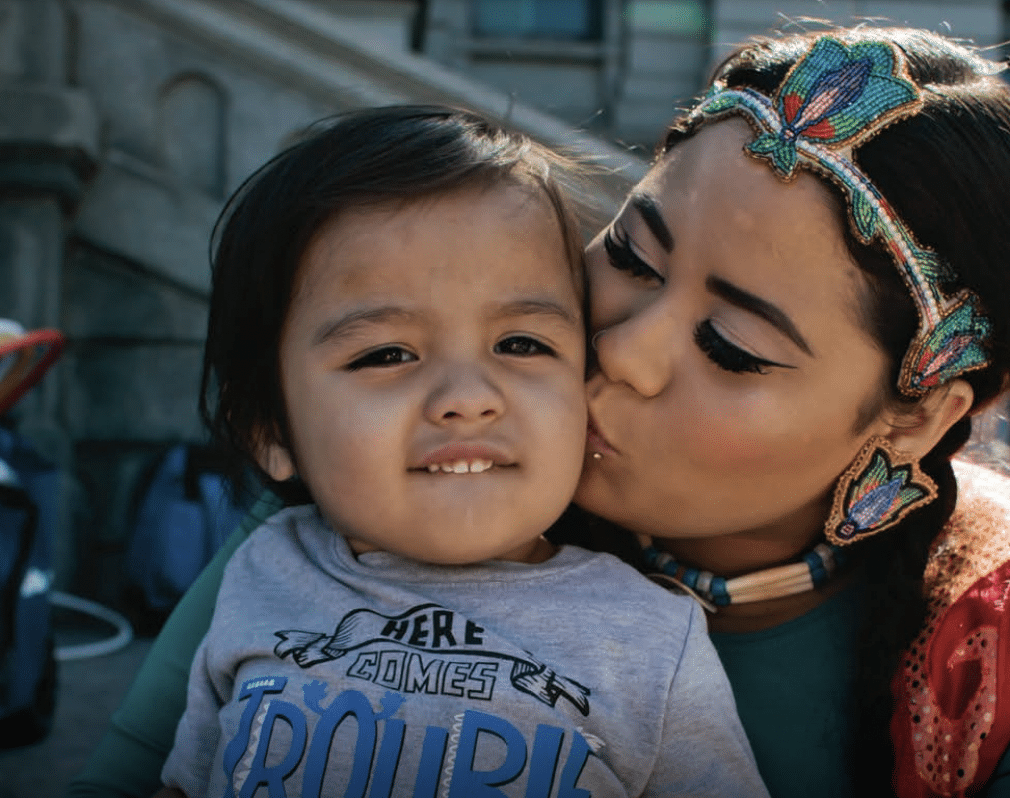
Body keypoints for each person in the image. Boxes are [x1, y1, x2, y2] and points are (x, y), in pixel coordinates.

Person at [71, 27, 1010, 798]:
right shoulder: (371, 522)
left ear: (909, 419)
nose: (622, 349)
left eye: (730, 345)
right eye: (632, 256)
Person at [150, 105, 766, 797]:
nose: (470, 397)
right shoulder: (264, 570)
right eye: (387, 354)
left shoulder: (650, 639)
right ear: (269, 429)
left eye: (522, 344)